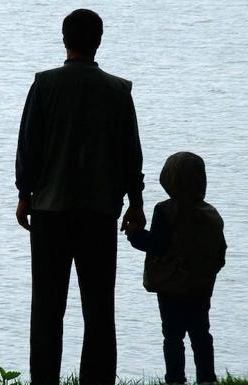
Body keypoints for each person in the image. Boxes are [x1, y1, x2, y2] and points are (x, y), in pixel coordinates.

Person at [15, 9, 145, 385]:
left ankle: (44, 380)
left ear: (64, 39)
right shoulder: (118, 91)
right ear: (99, 40)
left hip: (50, 211)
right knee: (100, 308)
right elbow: (130, 155)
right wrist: (135, 203)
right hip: (100, 212)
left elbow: (29, 146)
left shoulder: (44, 85)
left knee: (47, 308)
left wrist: (25, 193)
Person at [125, 152, 227, 384]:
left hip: (170, 286)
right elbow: (220, 252)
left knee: (172, 336)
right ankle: (207, 378)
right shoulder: (211, 214)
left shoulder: (165, 210)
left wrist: (134, 234)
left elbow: (157, 245)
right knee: (201, 333)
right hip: (201, 286)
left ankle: (175, 379)